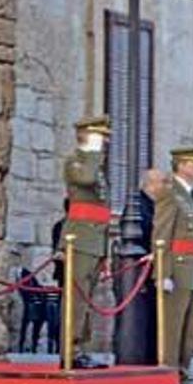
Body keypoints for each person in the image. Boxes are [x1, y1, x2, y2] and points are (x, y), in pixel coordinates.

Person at [154, 146, 193, 384]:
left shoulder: (190, 196)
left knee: (189, 330)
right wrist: (162, 273)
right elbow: (162, 234)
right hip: (177, 269)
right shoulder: (170, 194)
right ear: (182, 165)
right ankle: (169, 376)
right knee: (173, 328)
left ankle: (183, 375)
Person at [60, 115, 112, 369]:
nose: (103, 142)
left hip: (94, 239)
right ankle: (70, 349)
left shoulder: (94, 165)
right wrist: (92, 151)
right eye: (99, 136)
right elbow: (86, 180)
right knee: (77, 298)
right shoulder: (75, 162)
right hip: (79, 238)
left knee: (88, 298)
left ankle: (80, 347)